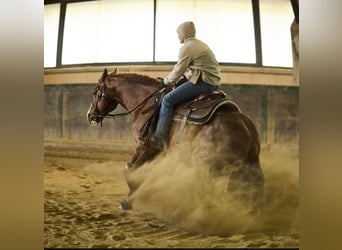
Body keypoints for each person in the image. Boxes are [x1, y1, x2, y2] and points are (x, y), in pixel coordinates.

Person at [150, 21, 221, 150]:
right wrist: (184, 78)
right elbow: (197, 69)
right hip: (212, 81)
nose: (178, 37)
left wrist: (165, 82)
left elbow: (178, 70)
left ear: (183, 35)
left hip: (203, 82)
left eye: (178, 34)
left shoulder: (187, 47)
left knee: (167, 100)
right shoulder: (200, 44)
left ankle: (159, 138)